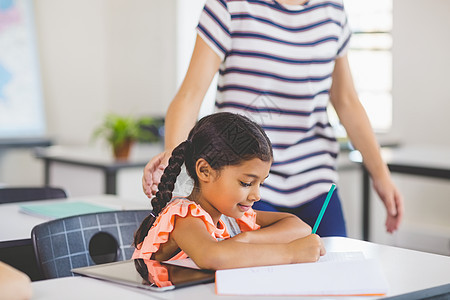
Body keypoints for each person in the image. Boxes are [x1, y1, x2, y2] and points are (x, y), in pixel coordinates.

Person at [142, 0, 403, 237]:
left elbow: (346, 101)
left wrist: (381, 175)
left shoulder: (332, 11)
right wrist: (172, 153)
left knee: (331, 275)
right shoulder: (230, 6)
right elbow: (190, 95)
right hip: (242, 180)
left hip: (314, 180)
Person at [134, 112, 325, 269]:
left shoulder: (229, 215)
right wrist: (290, 253)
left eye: (261, 183)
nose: (256, 195)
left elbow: (299, 227)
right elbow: (212, 256)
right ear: (204, 171)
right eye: (246, 183)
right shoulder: (184, 216)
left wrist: (246, 238)